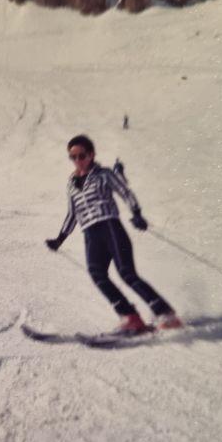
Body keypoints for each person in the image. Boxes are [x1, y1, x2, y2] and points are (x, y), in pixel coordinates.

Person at [45, 134, 181, 333]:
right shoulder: (71, 183)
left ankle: (167, 314)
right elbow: (72, 213)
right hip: (90, 233)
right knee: (97, 274)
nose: (77, 161)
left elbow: (125, 191)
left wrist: (137, 213)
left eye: (81, 156)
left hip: (109, 227)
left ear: (91, 155)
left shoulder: (104, 174)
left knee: (127, 273)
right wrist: (60, 239)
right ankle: (130, 317)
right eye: (72, 157)